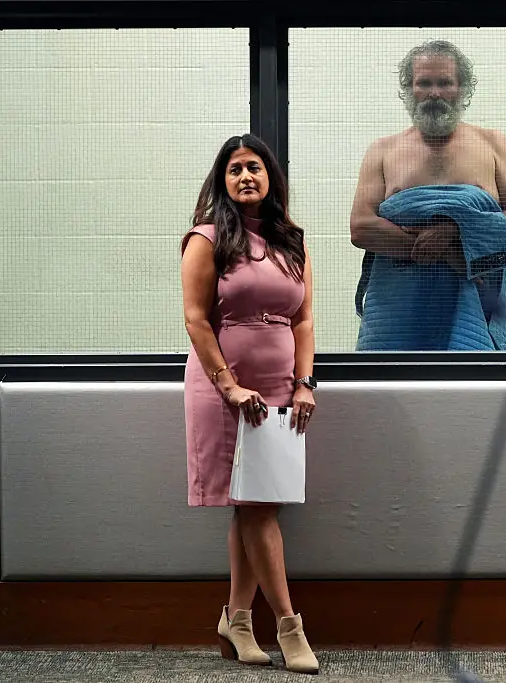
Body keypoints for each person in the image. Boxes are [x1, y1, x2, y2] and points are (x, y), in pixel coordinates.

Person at [180, 133, 319, 675]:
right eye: (235, 169)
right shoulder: (207, 238)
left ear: (270, 178)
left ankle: (237, 620)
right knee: (255, 505)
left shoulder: (292, 242)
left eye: (254, 168)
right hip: (225, 388)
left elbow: (304, 319)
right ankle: (289, 626)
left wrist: (306, 381)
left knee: (259, 502)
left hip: (282, 386)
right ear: (222, 181)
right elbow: (195, 318)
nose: (245, 177)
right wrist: (229, 384)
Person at [350, 39, 506, 351]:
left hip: (474, 305)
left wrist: (456, 232)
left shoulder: (493, 144)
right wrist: (439, 249)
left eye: (445, 83)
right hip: (398, 311)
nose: (434, 93)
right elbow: (361, 227)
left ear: (462, 88)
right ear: (409, 88)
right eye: (424, 83)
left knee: (472, 398)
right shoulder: (382, 150)